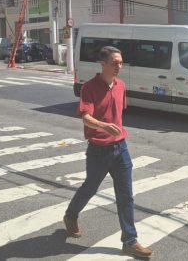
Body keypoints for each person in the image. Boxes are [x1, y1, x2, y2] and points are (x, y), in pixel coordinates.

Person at [63, 46, 152, 258]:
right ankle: (70, 216)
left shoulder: (120, 85)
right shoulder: (89, 88)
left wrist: (114, 131)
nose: (119, 66)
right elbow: (85, 116)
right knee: (89, 188)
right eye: (115, 63)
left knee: (126, 196)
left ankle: (129, 241)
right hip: (98, 150)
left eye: (121, 62)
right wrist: (103, 126)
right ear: (102, 64)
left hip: (121, 148)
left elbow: (118, 114)